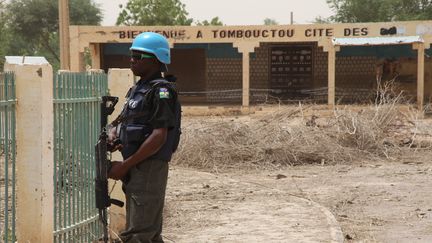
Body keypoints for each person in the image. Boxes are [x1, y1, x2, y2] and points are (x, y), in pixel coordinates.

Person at [108, 32, 181, 243]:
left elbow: (159, 136)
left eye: (139, 56)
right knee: (146, 233)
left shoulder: (162, 91)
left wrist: (125, 165)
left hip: (148, 166)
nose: (132, 60)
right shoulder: (138, 88)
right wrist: (115, 134)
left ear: (157, 59)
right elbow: (126, 121)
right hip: (136, 165)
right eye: (132, 55)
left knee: (138, 235)